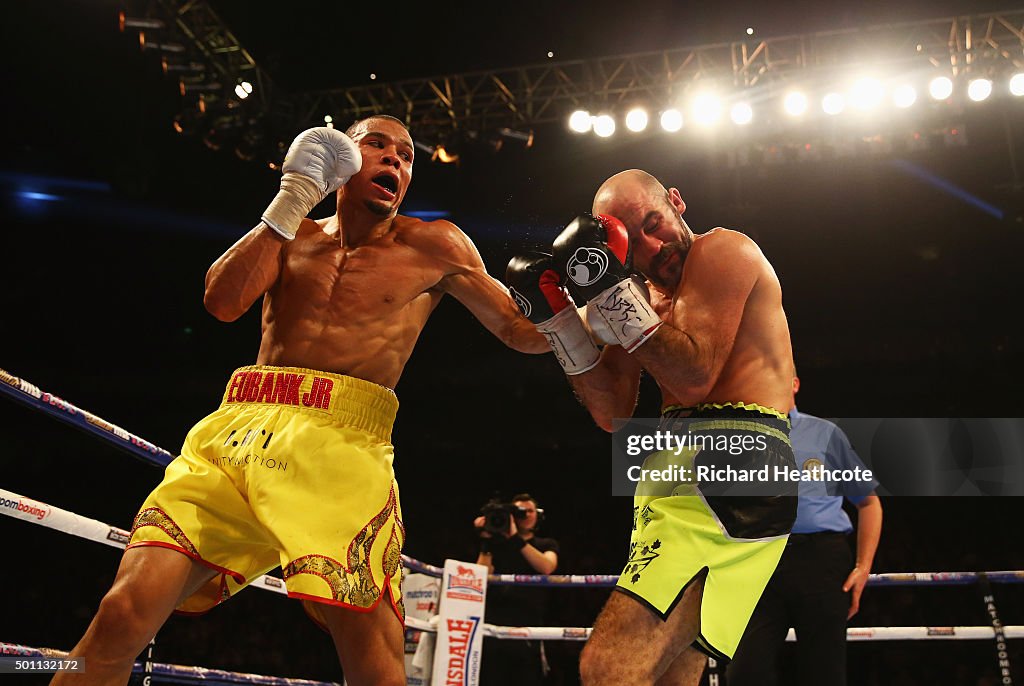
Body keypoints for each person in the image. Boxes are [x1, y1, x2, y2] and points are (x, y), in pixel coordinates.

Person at [53, 115, 549, 686]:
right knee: (119, 616)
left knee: (371, 654)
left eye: (406, 155)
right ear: (342, 157)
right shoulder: (295, 236)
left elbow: (521, 331)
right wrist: (292, 199)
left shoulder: (433, 243)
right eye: (378, 146)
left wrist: (596, 307)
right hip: (239, 430)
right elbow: (221, 301)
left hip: (341, 445)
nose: (394, 160)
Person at [506, 169, 797, 686]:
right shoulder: (637, 296)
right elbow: (611, 412)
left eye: (654, 222)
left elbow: (693, 376)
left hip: (734, 459)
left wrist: (612, 291)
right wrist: (559, 323)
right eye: (632, 238)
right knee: (668, 678)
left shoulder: (724, 250)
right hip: (678, 473)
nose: (652, 244)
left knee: (607, 667)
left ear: (677, 203)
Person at [726, 370, 882, 686]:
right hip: (760, 562)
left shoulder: (825, 434)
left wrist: (863, 567)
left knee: (824, 673)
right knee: (745, 673)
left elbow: (868, 503)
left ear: (794, 384)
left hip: (821, 560)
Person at [473, 494, 559, 685]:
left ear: (538, 516)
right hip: (494, 624)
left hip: (528, 624)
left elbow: (546, 567)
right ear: (511, 515)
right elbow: (481, 575)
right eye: (520, 511)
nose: (526, 514)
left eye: (531, 510)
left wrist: (515, 538)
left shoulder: (546, 544)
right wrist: (486, 540)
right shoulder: (496, 544)